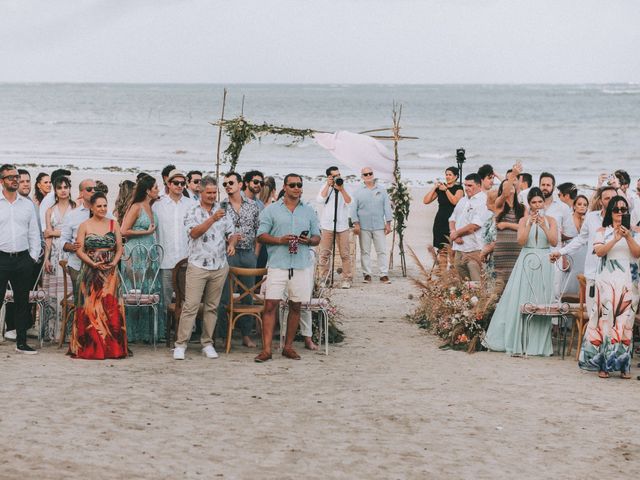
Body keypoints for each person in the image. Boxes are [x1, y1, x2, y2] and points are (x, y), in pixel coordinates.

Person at [483, 188, 558, 356]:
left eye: (540, 202)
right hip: (527, 258)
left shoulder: (551, 220)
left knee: (541, 299)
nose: (538, 205)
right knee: (521, 297)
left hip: (545, 260)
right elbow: (521, 241)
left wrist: (544, 226)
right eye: (534, 202)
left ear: (544, 203)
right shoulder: (524, 220)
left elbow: (554, 241)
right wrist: (530, 223)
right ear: (529, 204)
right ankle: (518, 340)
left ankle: (537, 344)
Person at [255, 173, 321, 362]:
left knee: (295, 306)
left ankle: (288, 347)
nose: (296, 188)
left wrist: (308, 240)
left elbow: (317, 237)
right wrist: (279, 240)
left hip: (300, 265)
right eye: (292, 185)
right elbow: (260, 235)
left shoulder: (308, 211)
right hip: (278, 264)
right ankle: (266, 350)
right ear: (285, 187)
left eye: (299, 185)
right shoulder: (271, 210)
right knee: (270, 305)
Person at [172, 176, 237, 360]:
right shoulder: (192, 210)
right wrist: (212, 219)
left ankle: (207, 343)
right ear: (200, 191)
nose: (212, 196)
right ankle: (181, 344)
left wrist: (232, 243)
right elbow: (194, 233)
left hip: (219, 265)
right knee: (190, 306)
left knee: (212, 306)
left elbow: (232, 232)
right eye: (208, 192)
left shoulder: (223, 210)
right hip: (198, 264)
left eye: (214, 192)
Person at [579, 196, 640, 378]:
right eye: (616, 209)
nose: (620, 213)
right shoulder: (601, 231)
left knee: (625, 321)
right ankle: (603, 365)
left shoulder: (635, 233)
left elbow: (637, 253)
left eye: (624, 209)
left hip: (628, 281)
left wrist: (628, 236)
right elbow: (599, 252)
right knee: (606, 320)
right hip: (606, 280)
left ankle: (623, 366)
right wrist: (614, 238)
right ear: (610, 211)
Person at [69, 192, 126, 359]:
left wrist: (114, 262)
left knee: (110, 307)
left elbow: (120, 247)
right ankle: (92, 348)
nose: (102, 209)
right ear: (92, 208)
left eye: (105, 205)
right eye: (99, 206)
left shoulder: (113, 224)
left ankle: (112, 349)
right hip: (89, 272)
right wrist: (92, 263)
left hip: (110, 273)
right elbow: (79, 250)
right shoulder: (84, 225)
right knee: (91, 309)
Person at [550, 186, 617, 316]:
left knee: (611, 315)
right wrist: (561, 252)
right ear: (601, 201)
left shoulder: (623, 220)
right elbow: (580, 240)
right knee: (593, 314)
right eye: (607, 198)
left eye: (613, 198)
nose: (611, 200)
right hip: (593, 274)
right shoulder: (591, 217)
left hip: (614, 275)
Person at [216, 172, 261, 348]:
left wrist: (255, 254)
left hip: (248, 253)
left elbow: (259, 230)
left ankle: (246, 335)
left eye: (231, 182)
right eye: (225, 183)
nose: (227, 185)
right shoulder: (221, 207)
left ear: (240, 185)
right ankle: (222, 335)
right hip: (228, 253)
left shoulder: (253, 206)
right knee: (224, 296)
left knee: (248, 295)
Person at [0, 164, 42, 354]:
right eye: (10, 177)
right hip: (1, 257)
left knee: (22, 302)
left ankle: (21, 343)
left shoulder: (27, 205)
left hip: (23, 259)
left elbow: (34, 232)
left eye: (16, 176)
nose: (15, 180)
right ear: (2, 181)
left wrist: (32, 257)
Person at [152, 169, 195, 340]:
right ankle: (163, 332)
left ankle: (185, 333)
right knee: (165, 299)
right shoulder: (158, 205)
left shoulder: (191, 204)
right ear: (168, 184)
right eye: (175, 183)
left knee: (187, 299)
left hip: (186, 259)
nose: (179, 186)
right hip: (165, 259)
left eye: (182, 183)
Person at [120, 174, 161, 343]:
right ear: (147, 191)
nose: (158, 190)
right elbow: (123, 230)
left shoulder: (152, 206)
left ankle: (147, 333)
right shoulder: (136, 207)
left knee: (148, 288)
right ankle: (131, 333)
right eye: (156, 188)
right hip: (135, 252)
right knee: (134, 290)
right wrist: (145, 232)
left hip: (150, 252)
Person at [42, 176, 76, 341]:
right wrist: (46, 258)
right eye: (60, 187)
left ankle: (70, 333)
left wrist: (55, 232)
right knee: (54, 293)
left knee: (70, 291)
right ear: (55, 190)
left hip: (71, 253)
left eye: (66, 186)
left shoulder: (76, 208)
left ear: (70, 188)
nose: (63, 190)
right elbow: (47, 236)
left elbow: (76, 233)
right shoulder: (50, 210)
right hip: (55, 254)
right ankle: (54, 333)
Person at [351, 167, 393, 283]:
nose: (368, 175)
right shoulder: (357, 191)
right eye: (365, 174)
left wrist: (388, 223)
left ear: (373, 174)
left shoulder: (382, 190)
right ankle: (367, 274)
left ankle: (383, 274)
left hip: (379, 225)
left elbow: (387, 207)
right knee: (365, 251)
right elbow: (353, 209)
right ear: (362, 177)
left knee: (381, 251)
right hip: (364, 226)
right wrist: (356, 224)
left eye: (370, 173)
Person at [317, 166, 352, 288]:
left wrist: (341, 190)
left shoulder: (344, 186)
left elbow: (350, 202)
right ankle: (324, 278)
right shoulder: (325, 186)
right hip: (327, 225)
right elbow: (320, 200)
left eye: (339, 174)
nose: (338, 177)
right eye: (335, 175)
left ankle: (347, 279)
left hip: (342, 226)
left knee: (345, 254)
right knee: (325, 253)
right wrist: (328, 185)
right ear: (330, 177)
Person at [61, 179, 97, 298]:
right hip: (77, 265)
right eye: (89, 189)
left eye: (95, 189)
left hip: (99, 266)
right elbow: (63, 241)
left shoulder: (105, 213)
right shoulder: (72, 215)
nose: (93, 191)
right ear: (81, 193)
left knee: (98, 303)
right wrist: (72, 247)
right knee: (81, 303)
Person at [448, 173, 489, 282]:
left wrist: (456, 234)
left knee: (476, 282)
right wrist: (453, 233)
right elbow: (452, 218)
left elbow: (474, 226)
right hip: (458, 247)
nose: (466, 188)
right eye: (465, 185)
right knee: (462, 282)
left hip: (474, 248)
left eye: (470, 185)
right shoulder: (463, 200)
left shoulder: (483, 201)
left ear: (479, 185)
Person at [423, 166, 463, 270]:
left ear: (456, 176)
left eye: (450, 175)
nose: (447, 177)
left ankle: (454, 275)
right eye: (446, 174)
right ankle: (443, 275)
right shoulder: (440, 189)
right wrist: (434, 188)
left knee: (452, 250)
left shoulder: (459, 189)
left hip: (453, 221)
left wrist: (446, 190)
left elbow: (455, 201)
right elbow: (426, 201)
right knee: (442, 251)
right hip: (440, 220)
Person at [492, 177, 525, 293]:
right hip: (502, 251)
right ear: (502, 191)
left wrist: (506, 224)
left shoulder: (522, 208)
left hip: (517, 250)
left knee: (516, 284)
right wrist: (514, 174)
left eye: (511, 185)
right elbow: (520, 227)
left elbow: (525, 228)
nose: (509, 187)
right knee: (500, 285)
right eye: (506, 186)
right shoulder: (499, 205)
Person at [539, 172, 574, 242]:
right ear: (539, 186)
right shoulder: (532, 205)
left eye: (548, 185)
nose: (545, 187)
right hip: (536, 250)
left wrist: (554, 237)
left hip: (554, 250)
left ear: (553, 187)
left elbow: (569, 234)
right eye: (543, 185)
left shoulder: (563, 207)